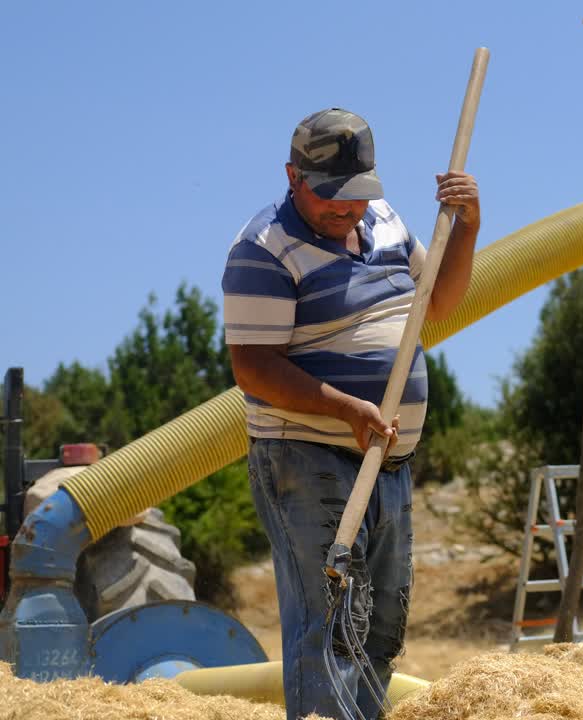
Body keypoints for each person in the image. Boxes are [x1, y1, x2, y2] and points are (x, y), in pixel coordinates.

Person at [222, 107, 479, 720]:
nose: (345, 209)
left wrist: (466, 227)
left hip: (387, 463)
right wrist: (343, 409)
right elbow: (253, 368)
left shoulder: (386, 221)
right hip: (308, 460)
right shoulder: (264, 249)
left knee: (380, 626)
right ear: (293, 177)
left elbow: (439, 302)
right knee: (330, 629)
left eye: (356, 196)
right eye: (330, 196)